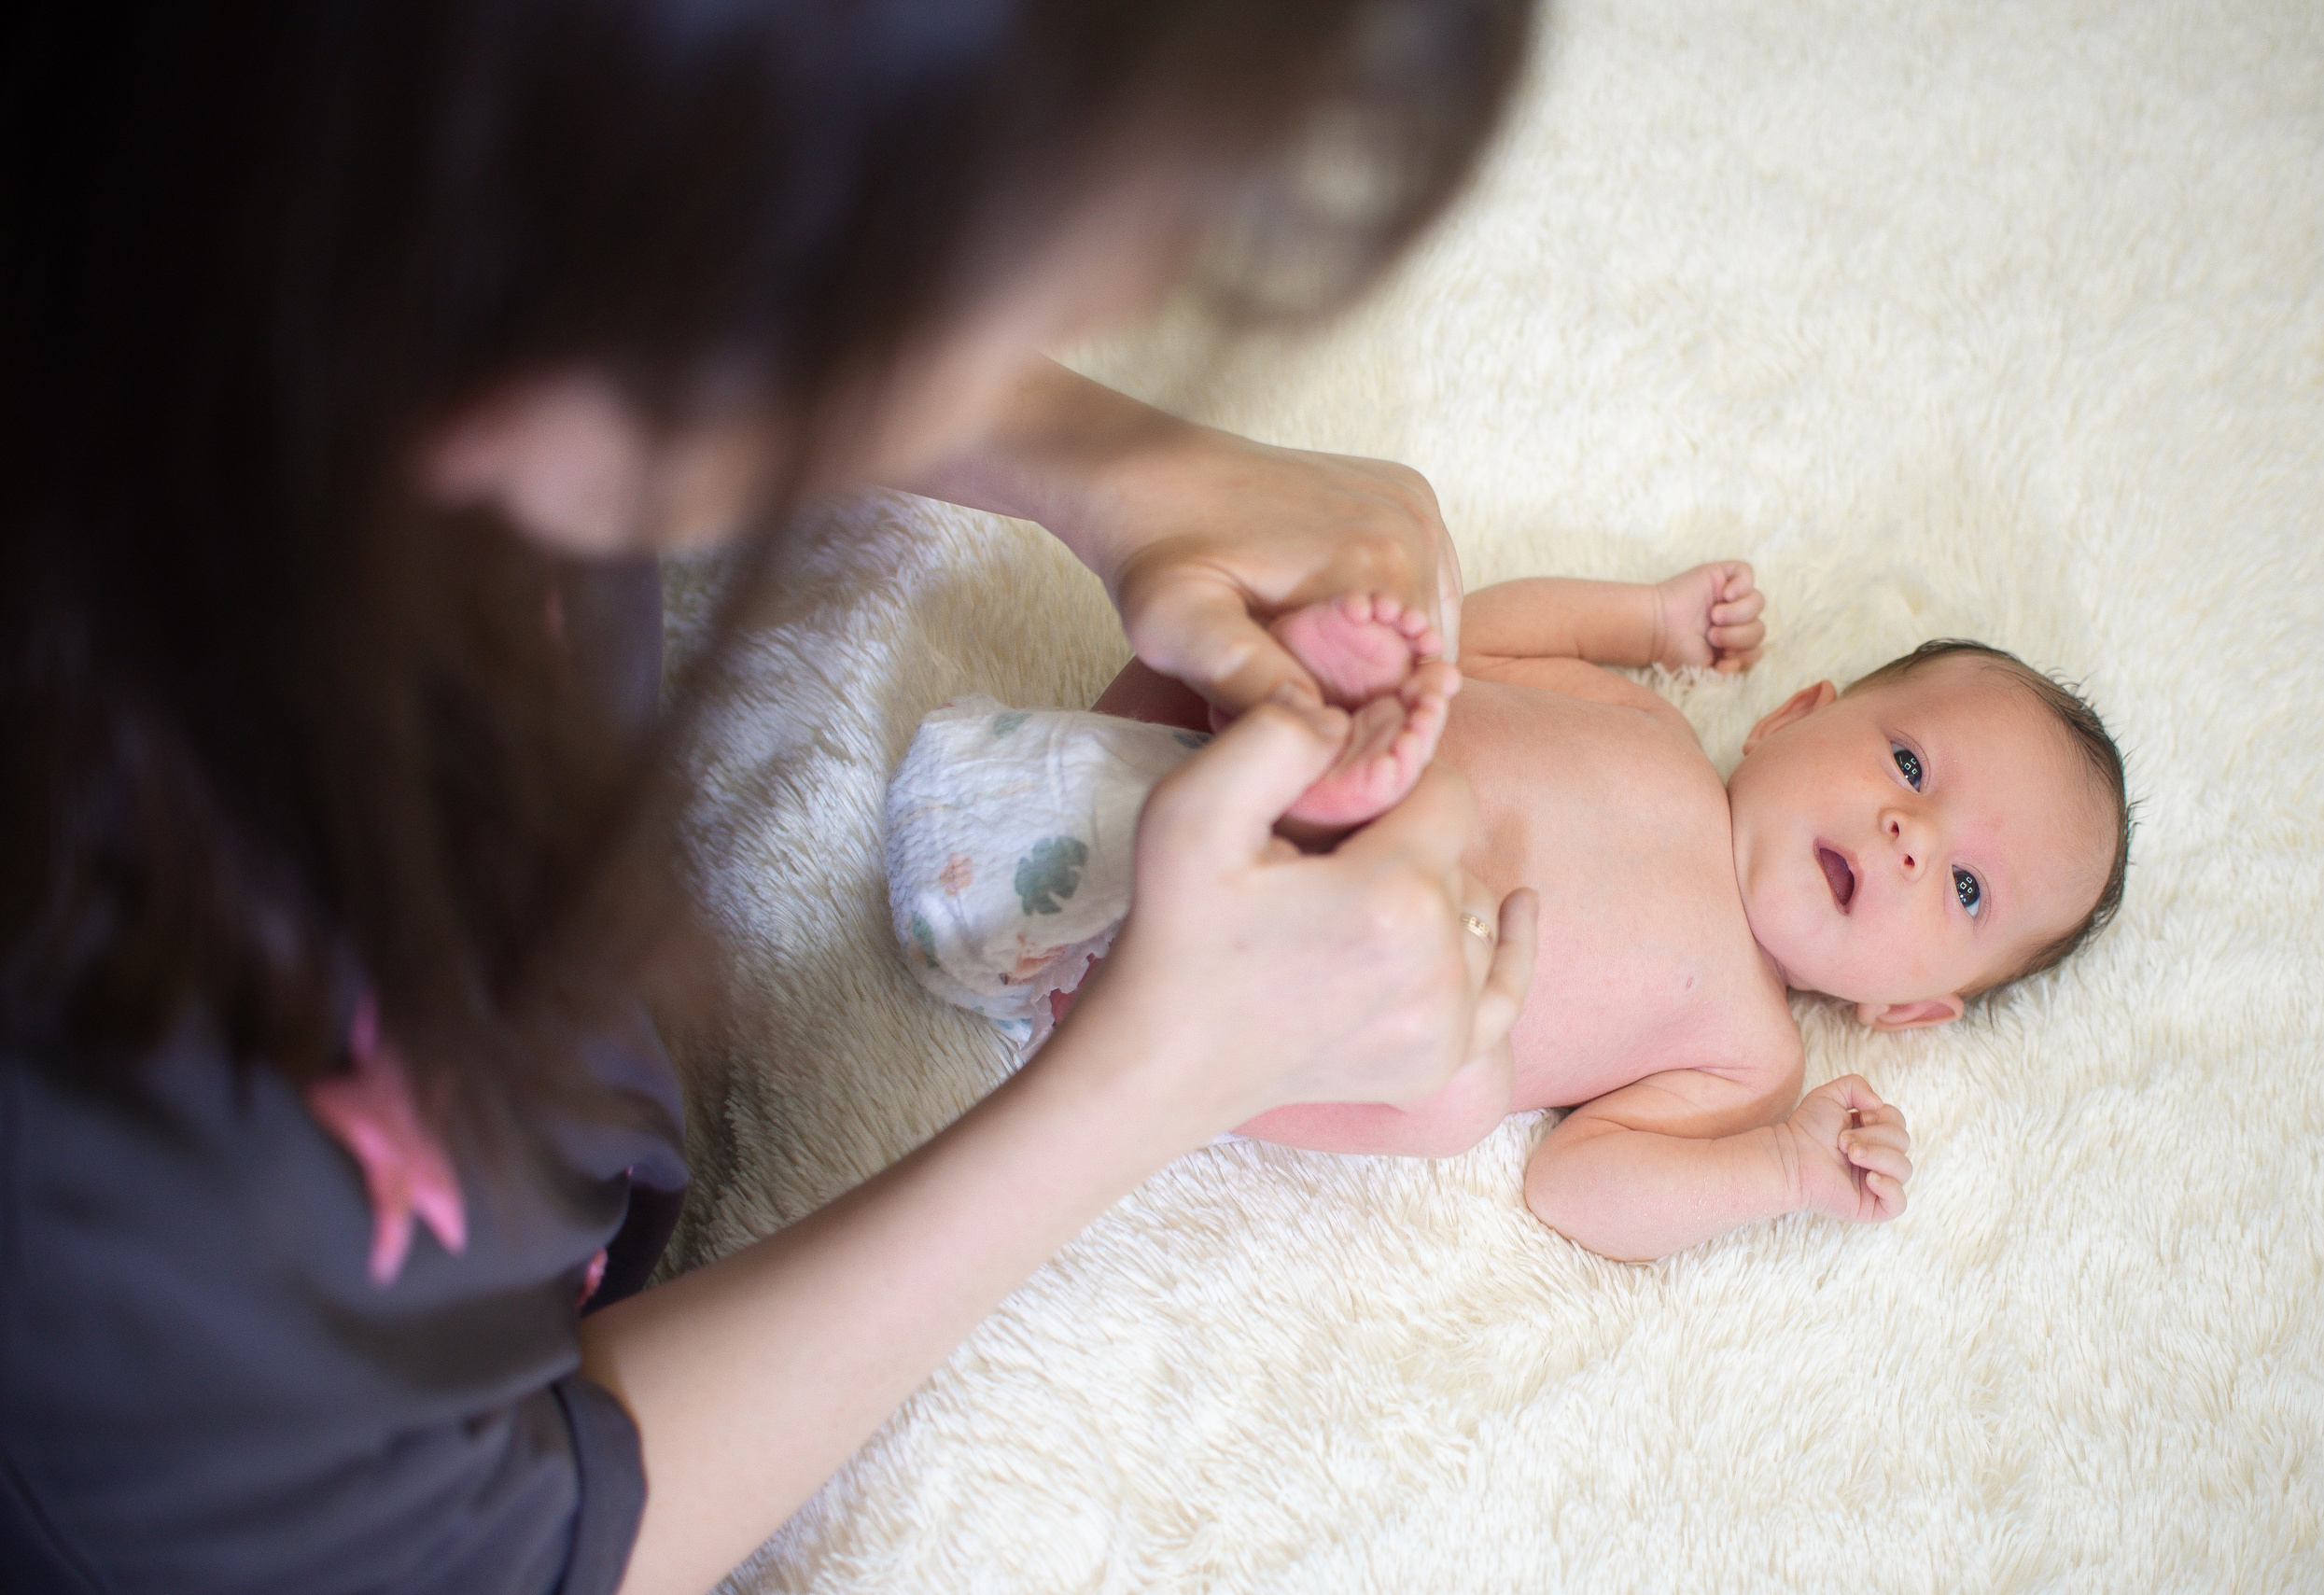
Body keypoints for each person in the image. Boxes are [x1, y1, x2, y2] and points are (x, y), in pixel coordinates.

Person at [0, 4, 1541, 1593]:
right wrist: (1149, 1079)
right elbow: (502, 1545)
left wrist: (1104, 458)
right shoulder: (126, 1157)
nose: (1060, 344)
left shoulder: (314, 235)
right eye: (992, 308)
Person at [889, 567, 2132, 1259]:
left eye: (1966, 888)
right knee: (1364, 624)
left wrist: (1786, 1166)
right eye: (1910, 767)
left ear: (1907, 1007)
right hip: (1133, 769)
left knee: (1459, 1094)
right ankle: (1213, 739)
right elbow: (1476, 637)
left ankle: (1161, 1051)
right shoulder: (1647, 722)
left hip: (1186, 968)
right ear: (1794, 714)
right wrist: (1640, 620)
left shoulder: (1754, 1054)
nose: (1912, 837)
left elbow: (1580, 1186)